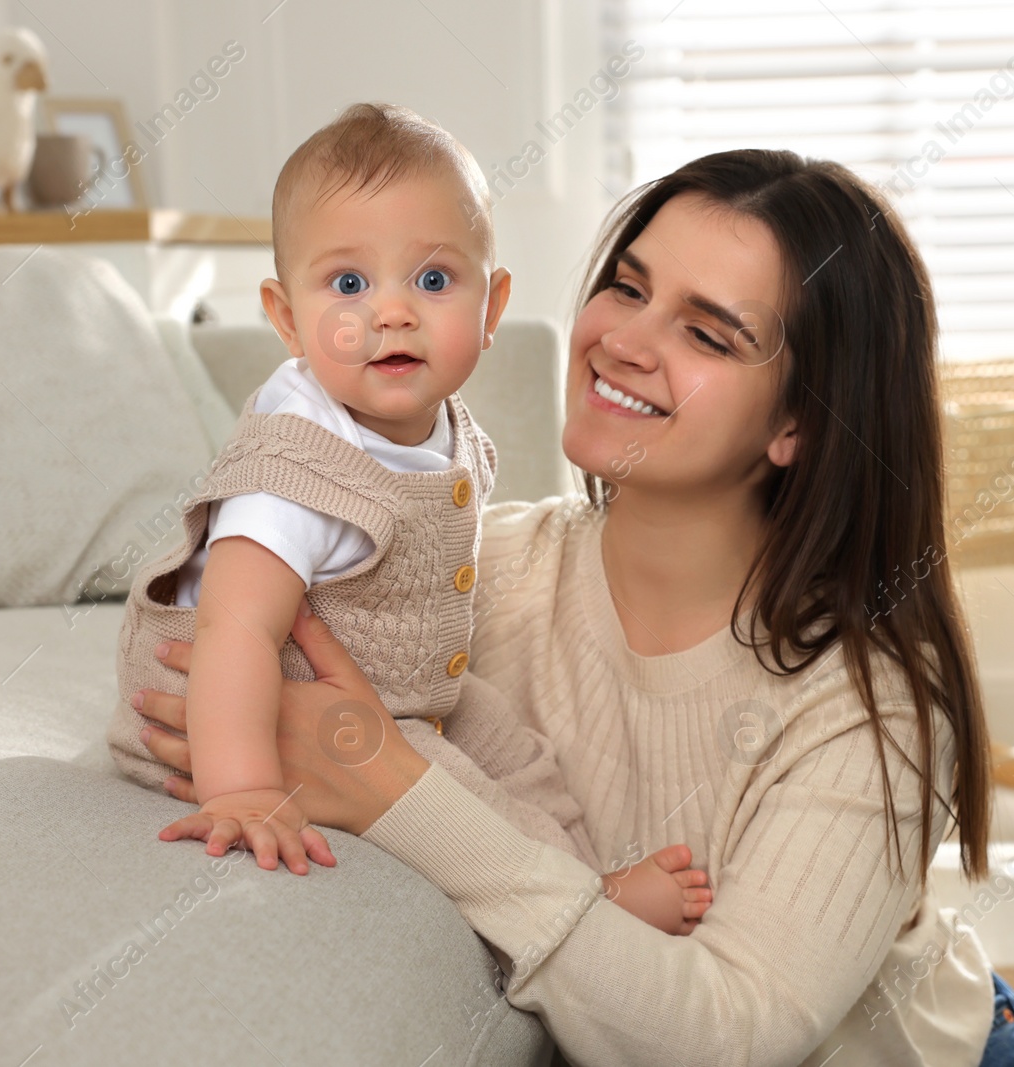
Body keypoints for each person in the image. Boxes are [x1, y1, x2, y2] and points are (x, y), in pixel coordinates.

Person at [135, 148, 1014, 1065]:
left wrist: (395, 789)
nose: (624, 341)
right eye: (628, 288)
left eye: (708, 333)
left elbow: (726, 1039)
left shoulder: (872, 704)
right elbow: (232, 667)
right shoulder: (473, 576)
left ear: (799, 422)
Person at [106, 102, 711, 936]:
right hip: (245, 701)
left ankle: (576, 865)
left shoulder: (443, 426)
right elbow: (236, 628)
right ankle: (580, 905)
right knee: (445, 789)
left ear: (492, 308)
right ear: (286, 319)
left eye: (432, 280)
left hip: (400, 687)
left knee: (516, 753)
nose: (391, 313)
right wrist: (242, 786)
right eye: (349, 284)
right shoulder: (296, 465)